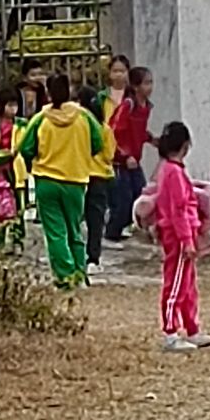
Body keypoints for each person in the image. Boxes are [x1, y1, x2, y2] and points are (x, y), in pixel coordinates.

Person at [19, 73, 103, 289]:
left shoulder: (41, 118)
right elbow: (98, 142)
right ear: (70, 92)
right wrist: (80, 155)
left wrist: (35, 162)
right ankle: (79, 272)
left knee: (56, 232)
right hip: (76, 180)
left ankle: (65, 276)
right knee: (74, 229)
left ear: (48, 93)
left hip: (46, 180)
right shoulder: (84, 116)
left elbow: (25, 147)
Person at [154, 122, 210, 353]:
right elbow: (179, 210)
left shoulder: (171, 170)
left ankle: (192, 329)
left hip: (182, 233)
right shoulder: (173, 173)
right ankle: (171, 333)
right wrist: (186, 240)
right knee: (175, 284)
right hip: (178, 236)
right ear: (185, 146)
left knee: (188, 284)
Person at [105, 66, 155, 243]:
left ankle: (129, 227)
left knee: (141, 195)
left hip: (134, 160)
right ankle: (112, 232)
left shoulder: (145, 107)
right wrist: (124, 155)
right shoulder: (128, 105)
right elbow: (113, 133)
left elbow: (137, 131)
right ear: (135, 86)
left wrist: (151, 139)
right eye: (146, 83)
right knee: (123, 201)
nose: (150, 87)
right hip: (121, 162)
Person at [77, 86, 116, 275]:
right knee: (96, 220)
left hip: (78, 175)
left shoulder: (78, 126)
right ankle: (93, 257)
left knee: (75, 218)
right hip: (100, 176)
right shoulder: (104, 128)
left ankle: (75, 256)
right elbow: (109, 154)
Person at [0, 87, 28, 253]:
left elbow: (27, 145)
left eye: (15, 105)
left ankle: (18, 240)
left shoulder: (23, 125)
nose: (12, 109)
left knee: (19, 208)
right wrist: (8, 154)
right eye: (9, 105)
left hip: (17, 173)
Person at [96, 55, 131, 124]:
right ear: (110, 73)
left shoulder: (133, 95)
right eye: (115, 71)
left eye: (122, 71)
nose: (118, 74)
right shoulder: (102, 96)